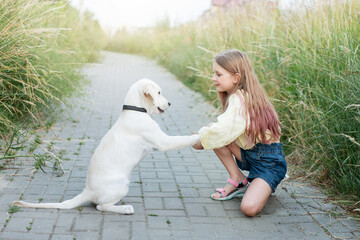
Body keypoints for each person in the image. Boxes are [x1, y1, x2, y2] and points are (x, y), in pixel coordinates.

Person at [193, 49, 287, 217]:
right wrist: (206, 134)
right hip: (250, 154)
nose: (213, 78)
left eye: (218, 74)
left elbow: (221, 131)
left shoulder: (240, 98)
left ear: (236, 78)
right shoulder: (238, 96)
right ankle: (236, 177)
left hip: (269, 163)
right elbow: (222, 129)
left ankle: (263, 184)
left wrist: (199, 141)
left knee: (248, 208)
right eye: (213, 73)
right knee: (213, 129)